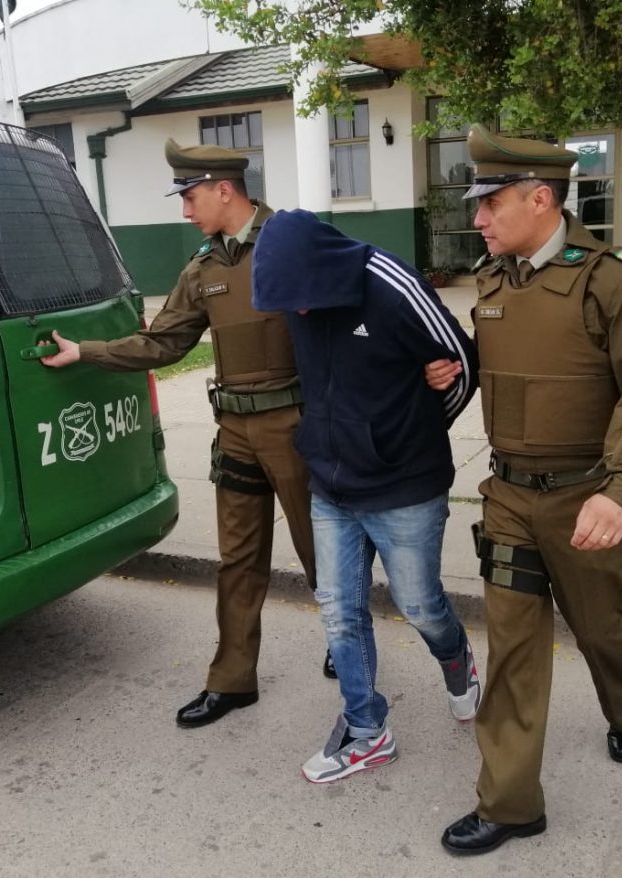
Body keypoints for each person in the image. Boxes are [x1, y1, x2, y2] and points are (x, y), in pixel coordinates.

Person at [434, 125, 622, 854]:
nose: (476, 218)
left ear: (540, 198)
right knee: (511, 644)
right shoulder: (491, 278)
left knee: (599, 624)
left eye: (490, 203)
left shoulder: (615, 278)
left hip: (587, 497)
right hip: (508, 496)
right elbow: (516, 368)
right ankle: (512, 804)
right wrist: (456, 372)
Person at [41, 139, 326, 729]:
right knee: (238, 559)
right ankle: (232, 680)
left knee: (322, 551)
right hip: (236, 430)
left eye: (190, 196)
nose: (184, 210)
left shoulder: (294, 242)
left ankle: (348, 647)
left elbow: (357, 318)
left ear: (225, 189)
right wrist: (85, 351)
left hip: (298, 427)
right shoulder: (203, 267)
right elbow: (164, 342)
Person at [252, 209, 480, 783]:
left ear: (323, 270)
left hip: (404, 487)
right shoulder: (296, 296)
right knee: (339, 609)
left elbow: (460, 366)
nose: (297, 312)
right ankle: (366, 730)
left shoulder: (391, 285)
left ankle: (458, 661)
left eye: (301, 299)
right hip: (329, 484)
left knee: (420, 605)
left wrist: (413, 437)